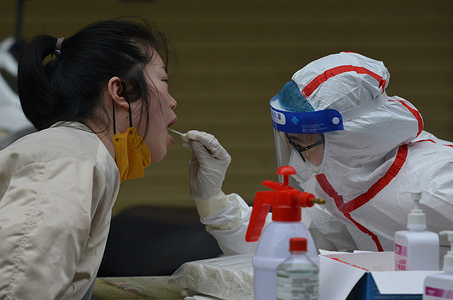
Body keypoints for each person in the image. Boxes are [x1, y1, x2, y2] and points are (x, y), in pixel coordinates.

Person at [182, 52, 453, 258]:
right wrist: (214, 203)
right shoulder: (351, 181)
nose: (296, 162)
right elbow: (284, 247)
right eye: (292, 144)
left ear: (354, 139)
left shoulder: (440, 182)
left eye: (302, 145)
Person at [0, 18, 177, 299]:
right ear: (121, 91)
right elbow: (17, 290)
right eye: (164, 80)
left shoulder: (81, 154)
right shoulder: (70, 161)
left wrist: (213, 202)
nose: (172, 101)